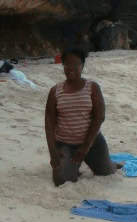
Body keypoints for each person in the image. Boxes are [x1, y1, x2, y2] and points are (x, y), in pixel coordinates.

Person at [45, 47, 115, 186]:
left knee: (106, 172)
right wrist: (53, 152)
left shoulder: (92, 87)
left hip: (92, 142)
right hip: (65, 144)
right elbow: (49, 123)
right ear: (63, 65)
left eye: (75, 64)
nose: (71, 68)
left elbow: (99, 117)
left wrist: (84, 148)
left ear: (82, 65)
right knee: (61, 180)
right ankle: (74, 165)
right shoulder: (55, 91)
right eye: (67, 64)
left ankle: (109, 163)